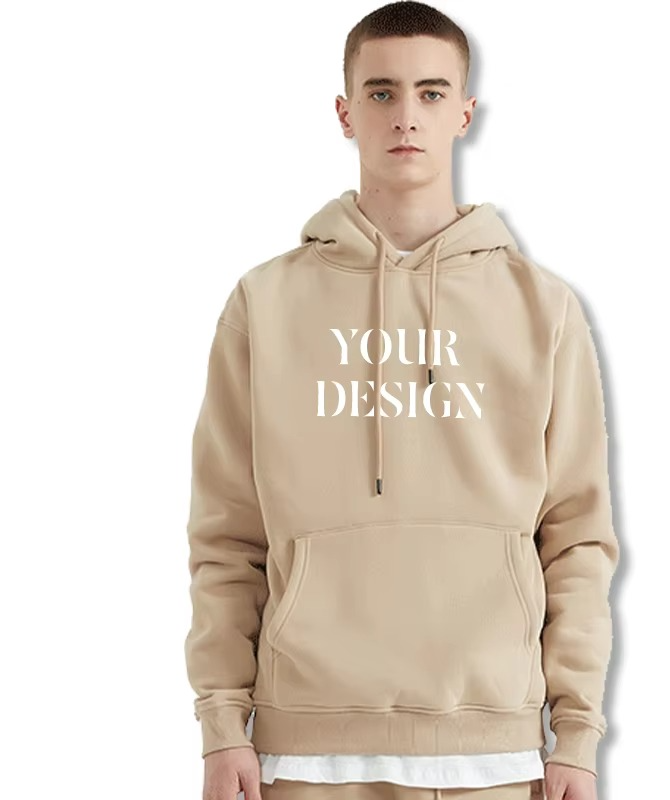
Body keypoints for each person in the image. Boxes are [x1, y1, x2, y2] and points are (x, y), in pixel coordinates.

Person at [183, 2, 620, 799]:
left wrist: (578, 736)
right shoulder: (266, 303)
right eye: (381, 92)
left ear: (464, 113)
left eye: (430, 92)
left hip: (494, 747)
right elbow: (226, 534)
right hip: (304, 745)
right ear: (345, 112)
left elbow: (577, 538)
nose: (406, 115)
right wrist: (221, 722)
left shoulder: (542, 307)